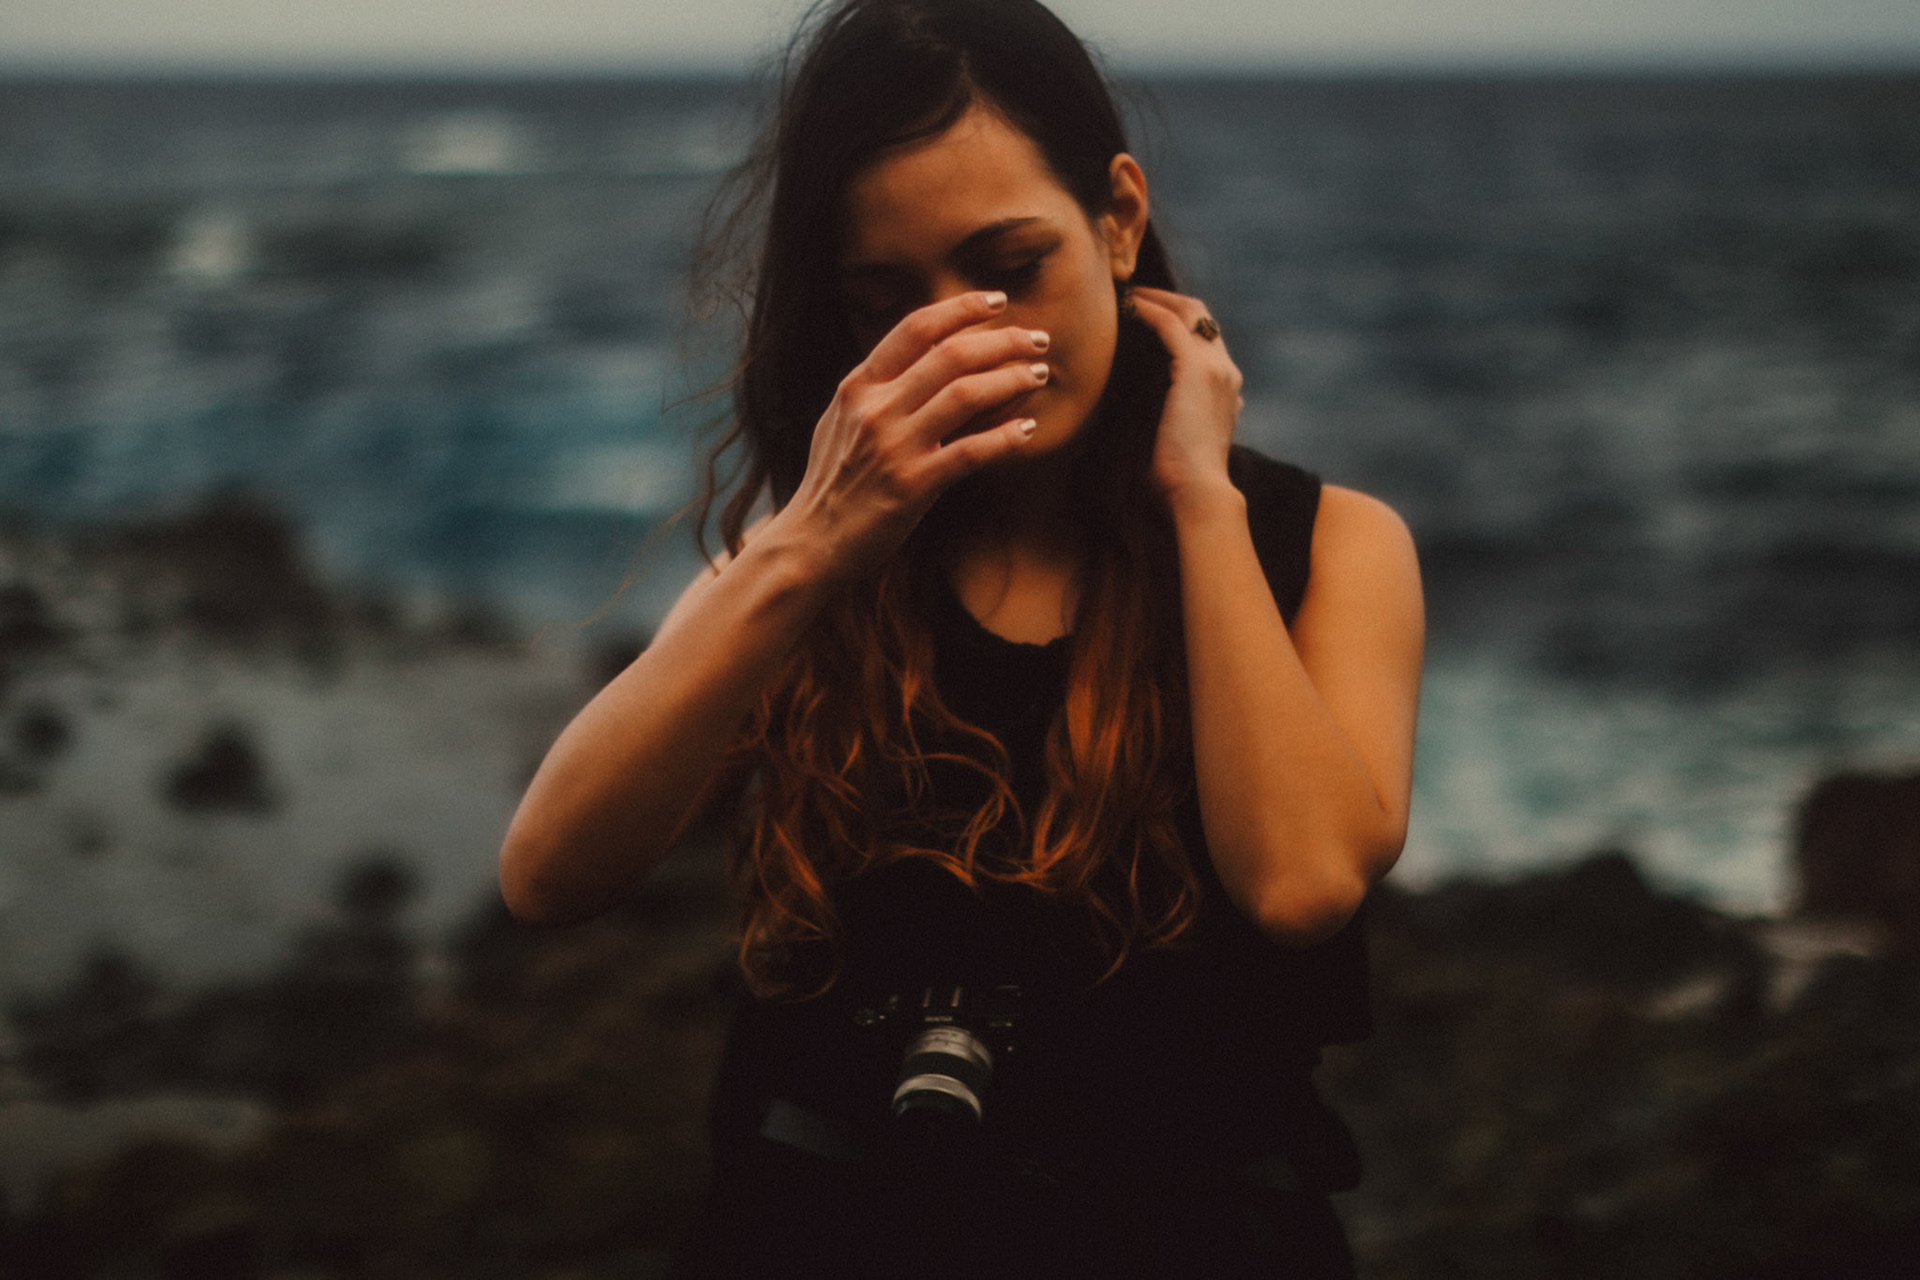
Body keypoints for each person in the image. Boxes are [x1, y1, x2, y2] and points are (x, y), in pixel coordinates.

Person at [500, 0, 1423, 1274]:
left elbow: (1301, 880)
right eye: (890, 300)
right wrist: (812, 545)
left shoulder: (1330, 544)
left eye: (1007, 267)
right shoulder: (813, 561)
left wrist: (1200, 497)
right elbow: (549, 872)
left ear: (1118, 215)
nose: (964, 335)